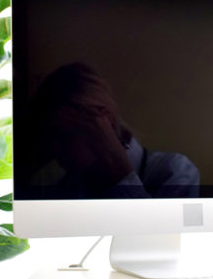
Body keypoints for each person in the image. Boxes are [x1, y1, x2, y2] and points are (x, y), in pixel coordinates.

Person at [22, 62, 200, 199]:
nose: (57, 153)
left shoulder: (174, 171)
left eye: (64, 137)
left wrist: (120, 173)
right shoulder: (65, 185)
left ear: (103, 123)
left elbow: (158, 239)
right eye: (50, 139)